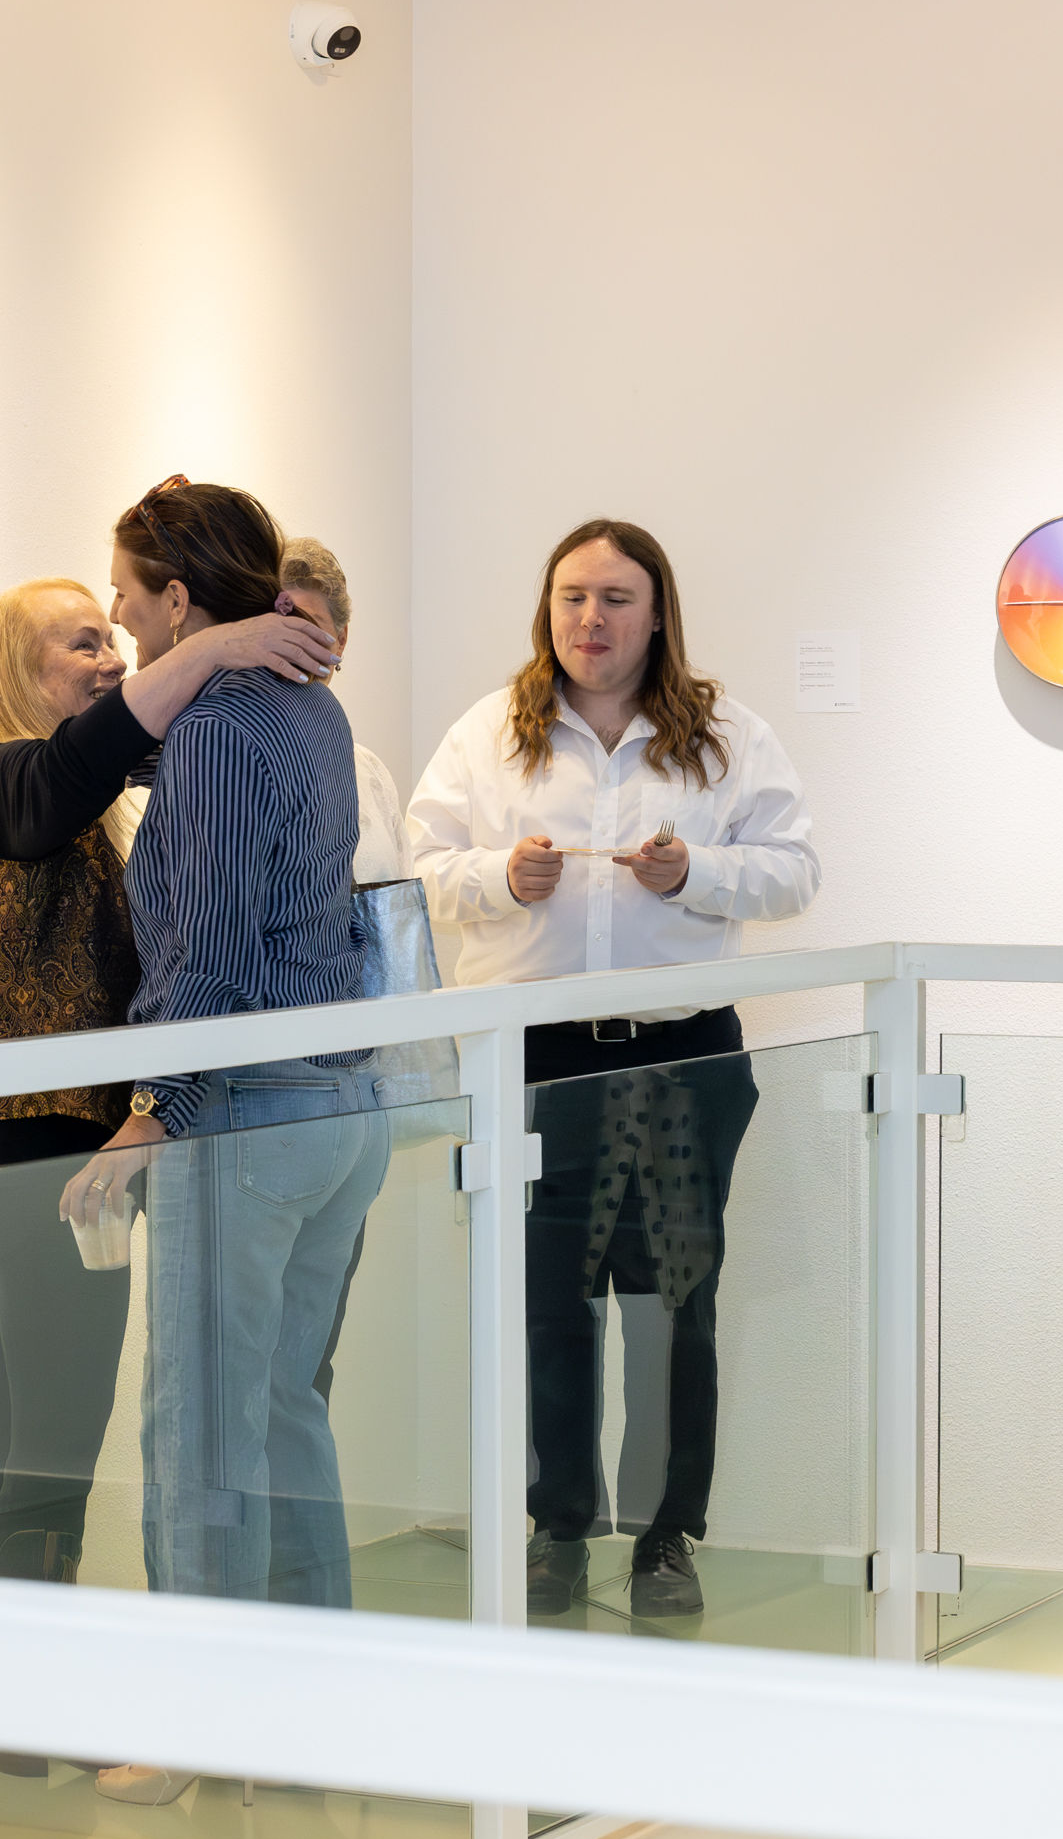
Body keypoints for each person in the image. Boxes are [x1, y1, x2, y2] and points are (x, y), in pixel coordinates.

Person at [408, 520, 818, 1617]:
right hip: (534, 1063)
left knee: (672, 1305)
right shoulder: (491, 733)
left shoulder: (724, 733)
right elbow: (421, 871)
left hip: (683, 1054)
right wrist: (499, 876)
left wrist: (698, 871)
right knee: (551, 1304)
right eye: (572, 597)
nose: (591, 620)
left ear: (657, 613)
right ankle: (556, 1530)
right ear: (546, 609)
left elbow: (793, 872)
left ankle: (666, 1536)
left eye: (616, 599)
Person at [55, 479, 380, 1703]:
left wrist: (154, 1112)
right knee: (284, 1411)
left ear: (178, 597)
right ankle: (308, 1699)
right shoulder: (306, 707)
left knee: (195, 1431)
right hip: (335, 1110)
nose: (120, 624)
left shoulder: (223, 732)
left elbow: (215, 958)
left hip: (249, 1113)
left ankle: (202, 1724)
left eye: (129, 602)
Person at [0, 580, 149, 1595]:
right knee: (61, 1415)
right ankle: (36, 1686)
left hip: (13, 1144)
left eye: (114, 636)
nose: (112, 658)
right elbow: (79, 769)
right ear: (17, 668)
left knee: (12, 1403)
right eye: (82, 643)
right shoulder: (6, 784)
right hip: (51, 1148)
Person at [271, 535, 408, 883]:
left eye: (310, 625)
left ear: (342, 638)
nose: (293, 642)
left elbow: (400, 912)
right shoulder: (231, 760)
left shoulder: (371, 773)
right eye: (279, 623)